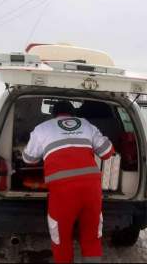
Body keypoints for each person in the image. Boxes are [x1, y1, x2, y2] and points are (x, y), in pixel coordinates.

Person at [22, 100, 115, 263]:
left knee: (61, 238)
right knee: (91, 237)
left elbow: (28, 159)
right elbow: (107, 152)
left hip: (62, 191)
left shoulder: (42, 128)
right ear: (73, 114)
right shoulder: (86, 124)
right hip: (91, 189)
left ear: (53, 114)